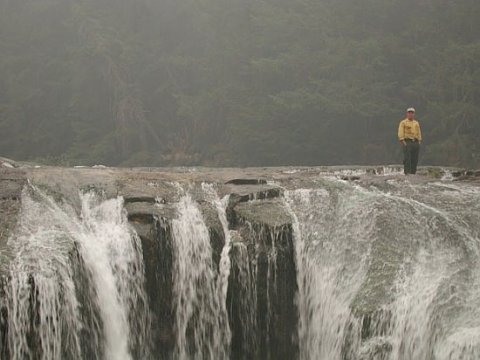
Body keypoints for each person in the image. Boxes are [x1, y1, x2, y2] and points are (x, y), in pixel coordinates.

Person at [398, 107, 422, 175]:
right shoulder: (403, 122)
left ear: (414, 114)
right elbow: (400, 132)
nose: (410, 114)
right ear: (407, 114)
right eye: (409, 113)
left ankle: (413, 173)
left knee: (415, 158)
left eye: (412, 113)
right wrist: (403, 141)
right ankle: (407, 173)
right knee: (407, 158)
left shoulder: (416, 123)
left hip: (415, 142)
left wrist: (419, 141)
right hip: (407, 142)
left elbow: (419, 132)